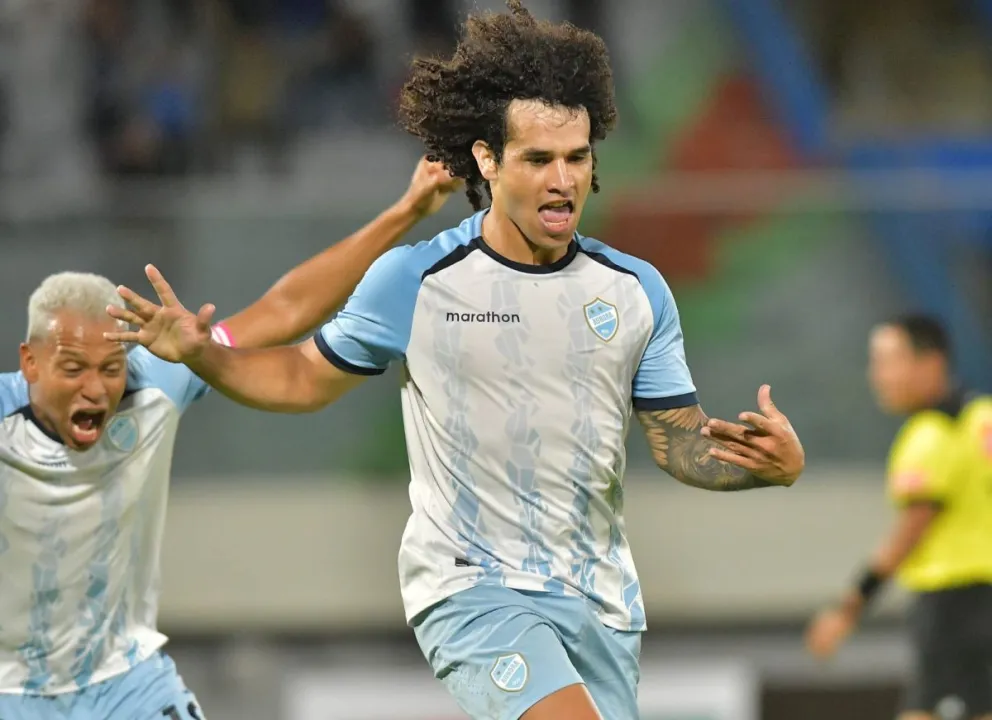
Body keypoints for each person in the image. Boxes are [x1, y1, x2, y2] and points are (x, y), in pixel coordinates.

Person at [111, 2, 806, 718]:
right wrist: (205, 358)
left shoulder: (635, 292)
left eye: (577, 157)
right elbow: (298, 378)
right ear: (487, 159)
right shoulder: (416, 280)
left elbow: (680, 441)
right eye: (538, 160)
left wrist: (758, 469)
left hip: (601, 600)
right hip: (473, 589)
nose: (562, 181)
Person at [0, 157, 458, 719]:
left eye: (110, 367)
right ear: (31, 363)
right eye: (73, 369)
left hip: (129, 685)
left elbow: (284, 310)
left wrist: (408, 209)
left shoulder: (159, 378)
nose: (96, 388)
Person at [805, 315, 992, 720]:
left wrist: (848, 608)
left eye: (889, 361)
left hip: (952, 606)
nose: (878, 376)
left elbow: (907, 536)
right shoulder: (985, 418)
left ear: (931, 363)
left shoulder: (927, 437)